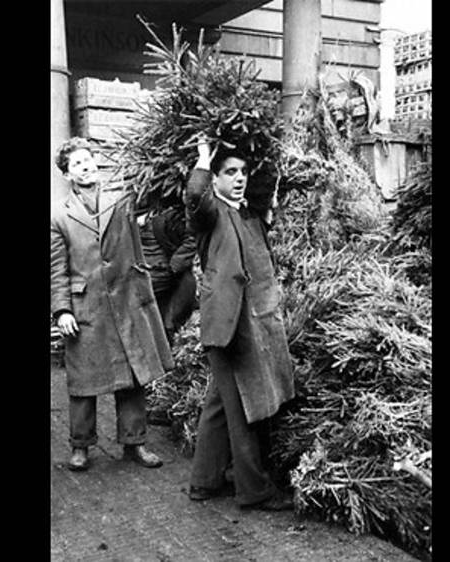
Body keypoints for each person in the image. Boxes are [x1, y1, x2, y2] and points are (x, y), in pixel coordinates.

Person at [184, 137, 296, 510]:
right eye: (229, 172)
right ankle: (254, 490)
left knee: (220, 403)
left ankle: (204, 481)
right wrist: (203, 158)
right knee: (244, 407)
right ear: (215, 179)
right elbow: (195, 196)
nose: (239, 178)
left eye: (243, 172)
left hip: (252, 321)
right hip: (228, 326)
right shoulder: (209, 213)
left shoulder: (248, 214)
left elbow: (266, 188)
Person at [51, 137, 174, 471]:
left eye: (88, 159)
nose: (85, 166)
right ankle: (81, 446)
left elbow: (153, 196)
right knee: (83, 379)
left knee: (131, 374)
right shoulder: (58, 215)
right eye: (76, 163)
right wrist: (62, 310)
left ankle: (135, 443)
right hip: (85, 305)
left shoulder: (121, 199)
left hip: (124, 299)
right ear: (67, 173)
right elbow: (57, 268)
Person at [135, 204, 197, 346]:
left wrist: (174, 266)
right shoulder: (125, 214)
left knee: (164, 330)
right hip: (139, 285)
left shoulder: (169, 212)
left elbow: (192, 238)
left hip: (169, 284)